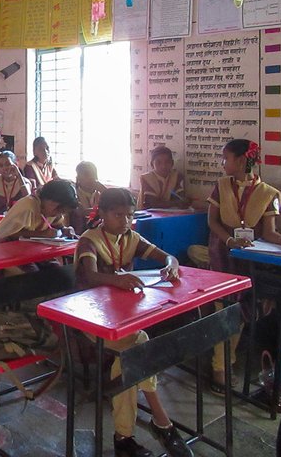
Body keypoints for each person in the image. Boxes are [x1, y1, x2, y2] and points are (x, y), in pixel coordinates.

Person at [75, 188, 191, 457]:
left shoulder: (130, 237)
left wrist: (172, 264)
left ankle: (124, 436)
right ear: (102, 214)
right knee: (139, 345)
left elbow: (166, 256)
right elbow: (90, 275)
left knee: (128, 360)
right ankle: (161, 421)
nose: (125, 222)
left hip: (121, 317)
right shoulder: (89, 240)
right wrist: (118, 280)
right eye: (118, 216)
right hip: (88, 317)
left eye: (129, 216)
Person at [207, 139, 281, 391]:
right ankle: (220, 366)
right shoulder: (221, 186)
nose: (223, 163)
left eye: (226, 158)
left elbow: (269, 233)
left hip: (250, 261)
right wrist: (228, 240)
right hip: (223, 256)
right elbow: (212, 222)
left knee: (240, 310)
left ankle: (225, 361)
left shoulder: (269, 193)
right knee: (224, 309)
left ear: (240, 160)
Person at [71, 161, 107, 234]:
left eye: (93, 174)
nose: (91, 178)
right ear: (78, 178)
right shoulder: (74, 192)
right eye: (86, 175)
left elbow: (116, 205)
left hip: (99, 229)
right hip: (79, 230)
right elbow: (81, 213)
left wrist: (106, 193)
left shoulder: (101, 192)